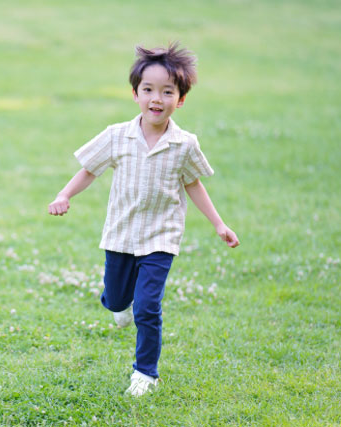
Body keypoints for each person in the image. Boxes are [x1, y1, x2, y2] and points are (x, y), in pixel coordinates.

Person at [48, 42, 239, 397]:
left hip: (161, 238)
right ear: (135, 94)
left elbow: (194, 184)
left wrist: (218, 224)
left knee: (149, 306)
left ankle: (145, 373)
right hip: (121, 234)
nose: (157, 98)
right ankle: (121, 305)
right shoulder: (118, 135)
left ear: (180, 99)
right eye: (148, 89)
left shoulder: (184, 143)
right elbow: (89, 170)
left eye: (168, 91)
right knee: (118, 300)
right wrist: (64, 195)